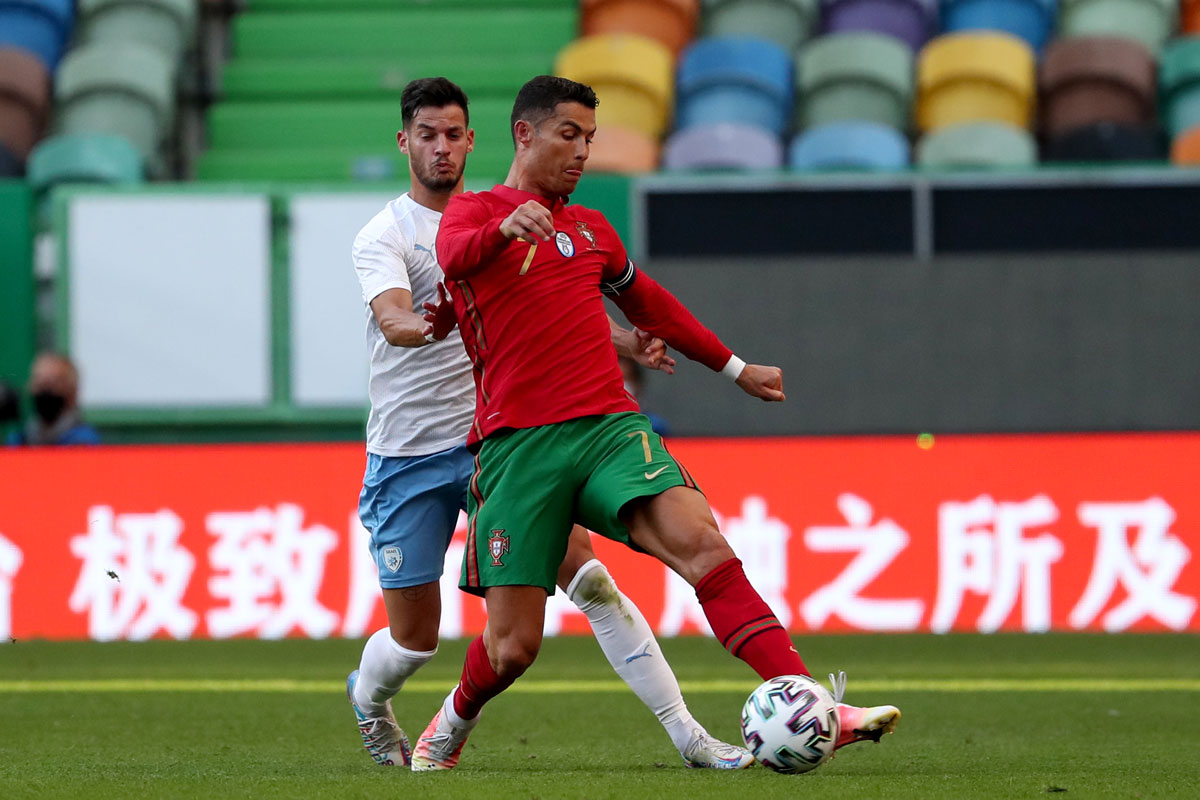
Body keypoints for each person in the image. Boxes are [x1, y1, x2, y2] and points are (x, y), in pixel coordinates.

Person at [410, 76, 901, 771]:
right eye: (568, 135)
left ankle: (810, 699)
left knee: (704, 547)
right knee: (512, 648)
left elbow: (653, 306)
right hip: (517, 447)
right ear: (525, 134)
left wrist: (737, 369)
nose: (582, 152)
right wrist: (503, 226)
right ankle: (453, 719)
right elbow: (455, 258)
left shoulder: (590, 230)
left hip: (609, 427)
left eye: (590, 138)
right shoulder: (472, 213)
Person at [346, 77, 753, 772]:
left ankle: (689, 735)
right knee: (415, 641)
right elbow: (391, 317)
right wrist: (426, 325)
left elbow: (547, 305)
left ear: (473, 140)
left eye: (453, 135)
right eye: (427, 136)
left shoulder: (509, 214)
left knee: (594, 583)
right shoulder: (388, 235)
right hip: (410, 454)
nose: (442, 148)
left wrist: (624, 341)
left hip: (503, 446)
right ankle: (369, 700)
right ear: (404, 143)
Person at [5, 352, 100, 446]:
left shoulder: (83, 442)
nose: (44, 392)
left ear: (71, 391)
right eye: (39, 384)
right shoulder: (19, 441)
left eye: (51, 384)